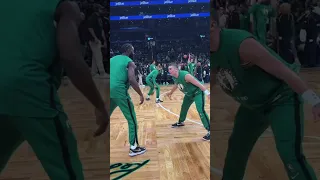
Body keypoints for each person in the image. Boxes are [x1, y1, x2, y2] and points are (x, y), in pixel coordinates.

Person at [0, 1, 109, 179]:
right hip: (29, 88)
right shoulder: (64, 5)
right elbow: (71, 57)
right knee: (66, 170)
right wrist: (99, 105)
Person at [210, 9, 320, 180]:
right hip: (253, 106)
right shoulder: (207, 52)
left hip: (282, 99)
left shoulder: (242, 45)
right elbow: (211, 81)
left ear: (211, 25)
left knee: (289, 153)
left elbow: (286, 72)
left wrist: (315, 101)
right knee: (237, 147)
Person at [110, 43, 147, 157]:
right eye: (133, 50)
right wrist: (140, 94)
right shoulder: (130, 62)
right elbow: (131, 79)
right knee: (132, 120)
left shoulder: (112, 59)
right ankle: (134, 148)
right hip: (119, 91)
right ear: (129, 50)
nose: (134, 53)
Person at [166, 63, 210, 141]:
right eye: (168, 69)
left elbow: (198, 84)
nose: (169, 70)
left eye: (170, 69)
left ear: (176, 69)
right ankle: (181, 122)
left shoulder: (186, 75)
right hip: (189, 95)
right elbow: (176, 84)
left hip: (197, 93)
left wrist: (208, 93)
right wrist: (170, 93)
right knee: (184, 108)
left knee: (201, 110)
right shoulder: (174, 77)